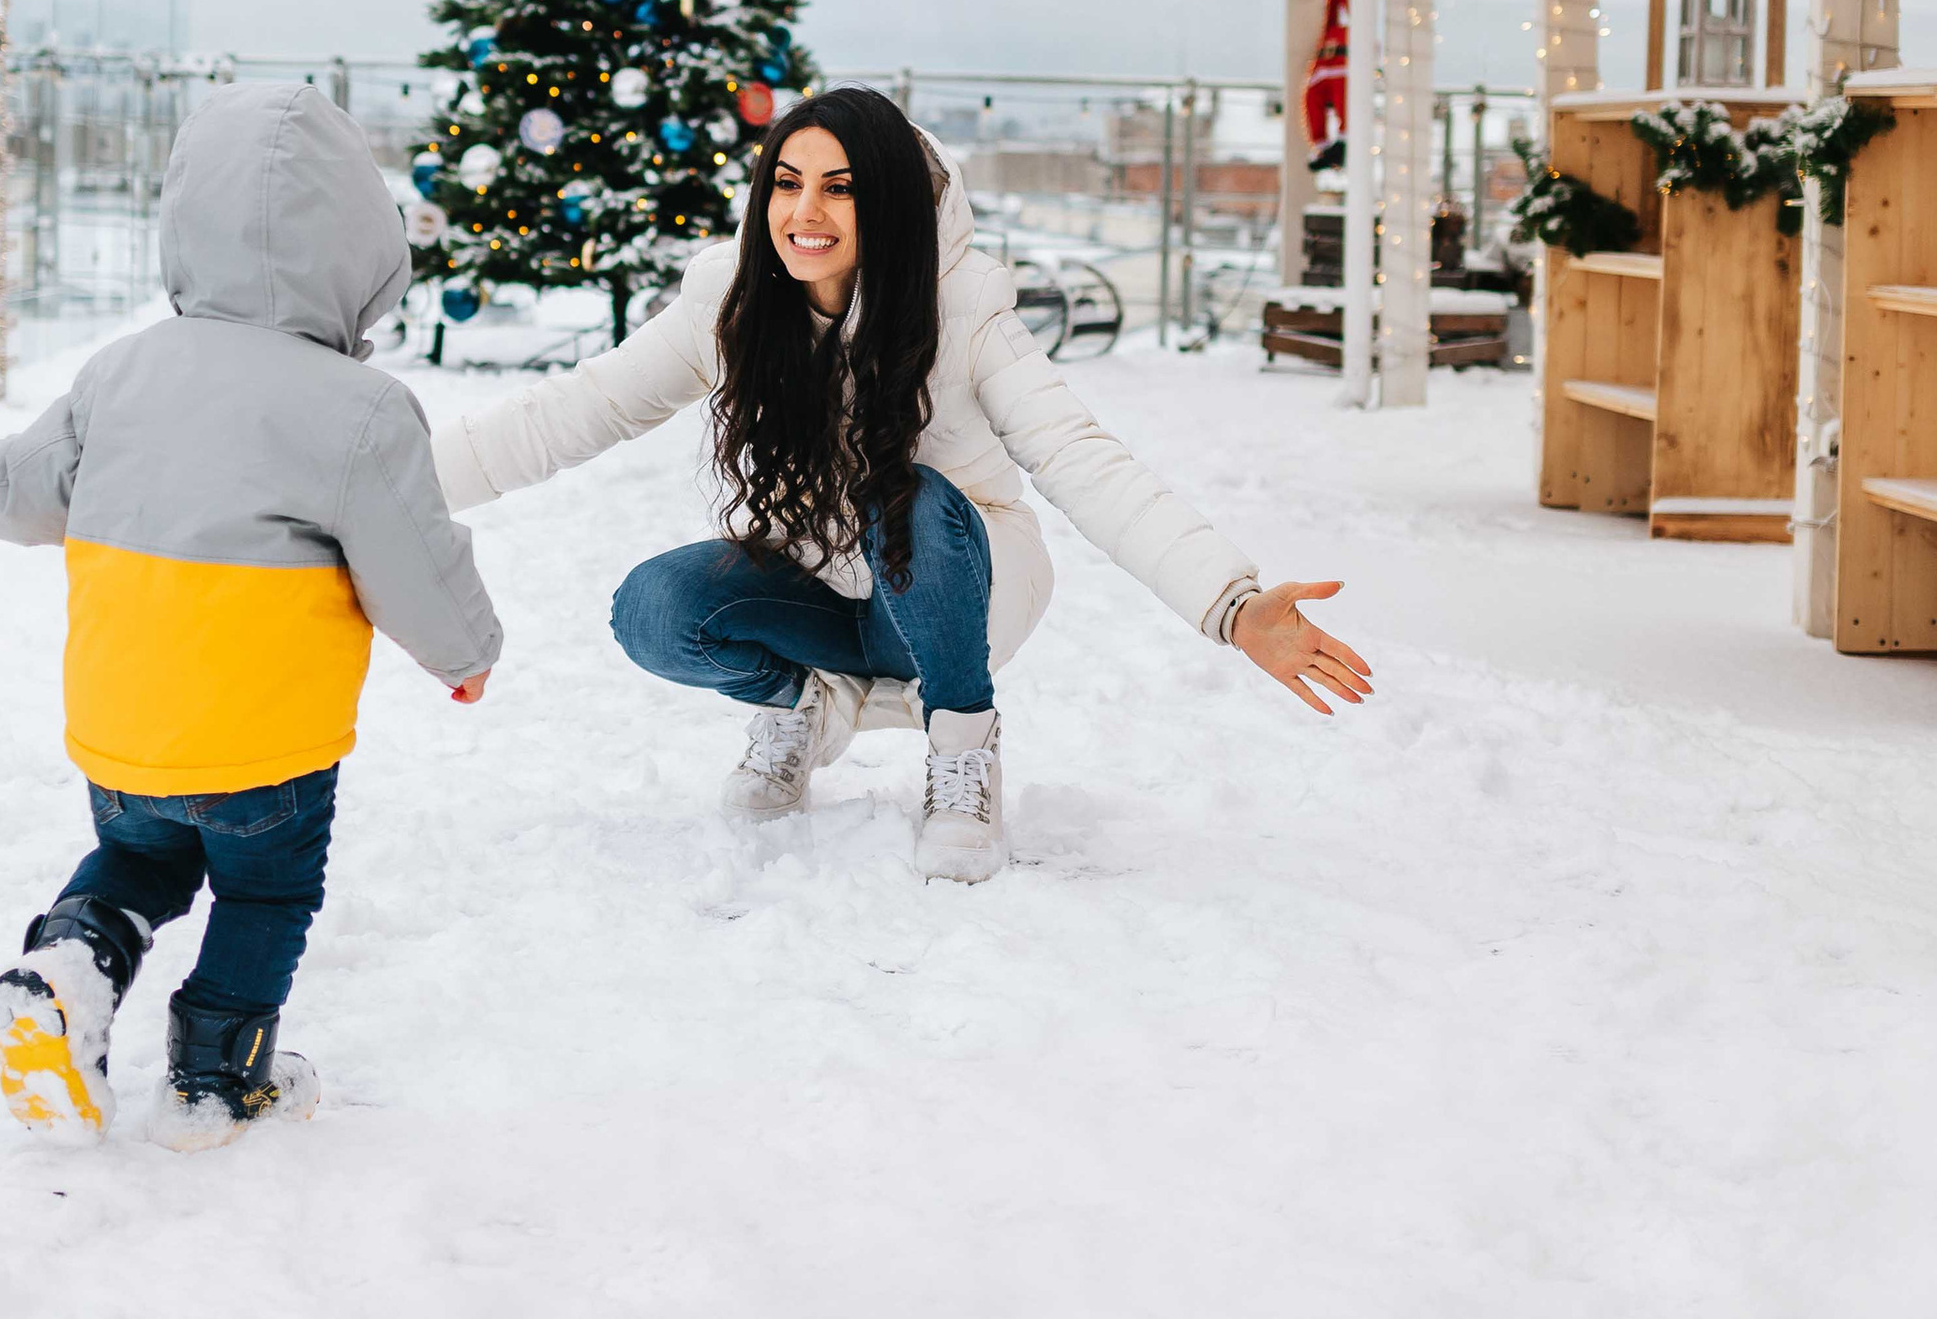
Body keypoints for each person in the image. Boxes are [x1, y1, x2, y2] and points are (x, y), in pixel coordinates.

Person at [434, 86, 1370, 881]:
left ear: (886, 204)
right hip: (819, 583)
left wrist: (1233, 605)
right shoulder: (732, 300)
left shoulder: (966, 308)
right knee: (654, 607)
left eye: (841, 189)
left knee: (909, 500)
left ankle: (962, 750)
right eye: (788, 184)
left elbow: (1085, 461)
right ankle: (801, 704)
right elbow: (576, 410)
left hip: (957, 580)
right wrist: (393, 498)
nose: (806, 212)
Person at [0, 82, 499, 1149]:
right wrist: (465, 654)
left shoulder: (121, 372)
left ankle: (66, 972)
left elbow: (20, 490)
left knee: (141, 865)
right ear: (360, 248)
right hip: (266, 747)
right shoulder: (362, 410)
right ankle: (212, 1078)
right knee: (266, 896)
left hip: (122, 728)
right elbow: (414, 564)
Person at [1303, 0, 1350, 168]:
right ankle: (1330, 149)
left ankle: (1338, 147)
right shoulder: (1334, 30)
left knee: (1343, 104)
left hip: (1337, 68)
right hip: (1326, 67)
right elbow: (1331, 14)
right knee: (1314, 101)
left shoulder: (1348, 31)